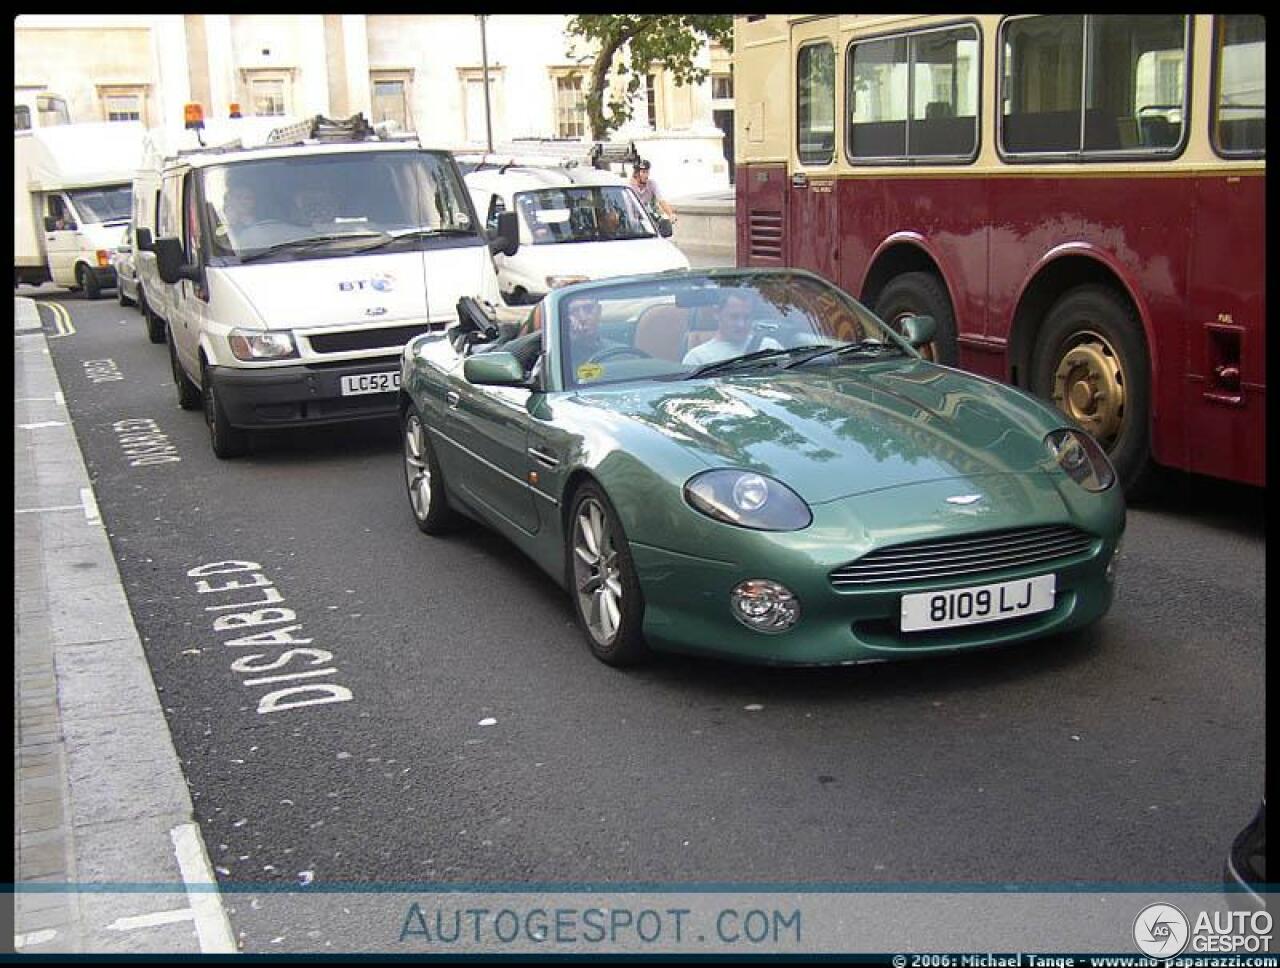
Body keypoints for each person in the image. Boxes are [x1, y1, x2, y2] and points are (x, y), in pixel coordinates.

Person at [681, 291, 781, 367]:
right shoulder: (698, 358)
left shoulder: (771, 347)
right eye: (734, 317)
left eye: (746, 317)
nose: (741, 324)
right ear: (717, 314)